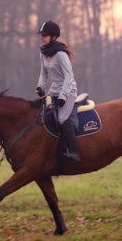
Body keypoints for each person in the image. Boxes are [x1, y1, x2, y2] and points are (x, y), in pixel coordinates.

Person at [35, 20, 80, 162]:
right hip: (53, 91)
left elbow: (69, 76)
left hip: (69, 91)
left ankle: (74, 151)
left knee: (61, 118)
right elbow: (43, 74)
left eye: (45, 35)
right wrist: (40, 86)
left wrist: (63, 96)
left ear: (53, 36)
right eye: (41, 35)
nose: (42, 37)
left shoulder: (61, 54)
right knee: (43, 116)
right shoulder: (43, 52)